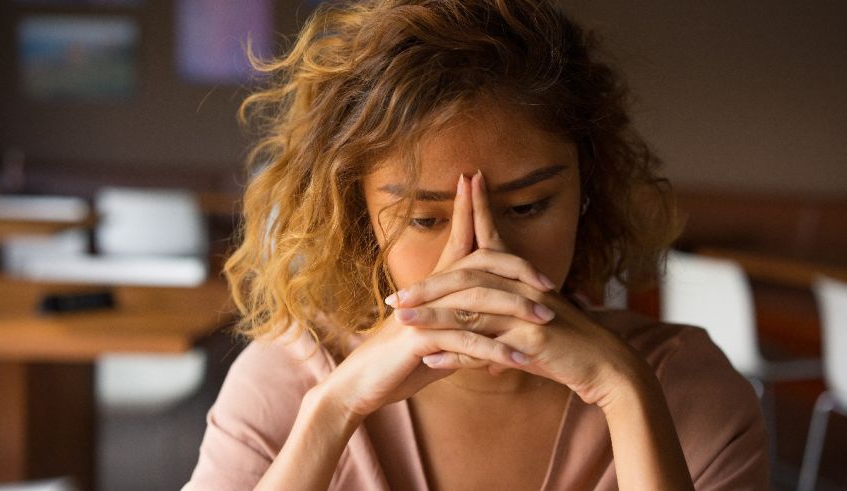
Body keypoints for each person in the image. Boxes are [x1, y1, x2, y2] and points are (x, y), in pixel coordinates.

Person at [185, 0, 768, 489]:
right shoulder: (288, 382)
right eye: (423, 218)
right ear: (358, 219)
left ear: (588, 192)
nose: (478, 262)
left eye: (527, 207)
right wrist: (332, 413)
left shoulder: (686, 387)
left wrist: (625, 393)